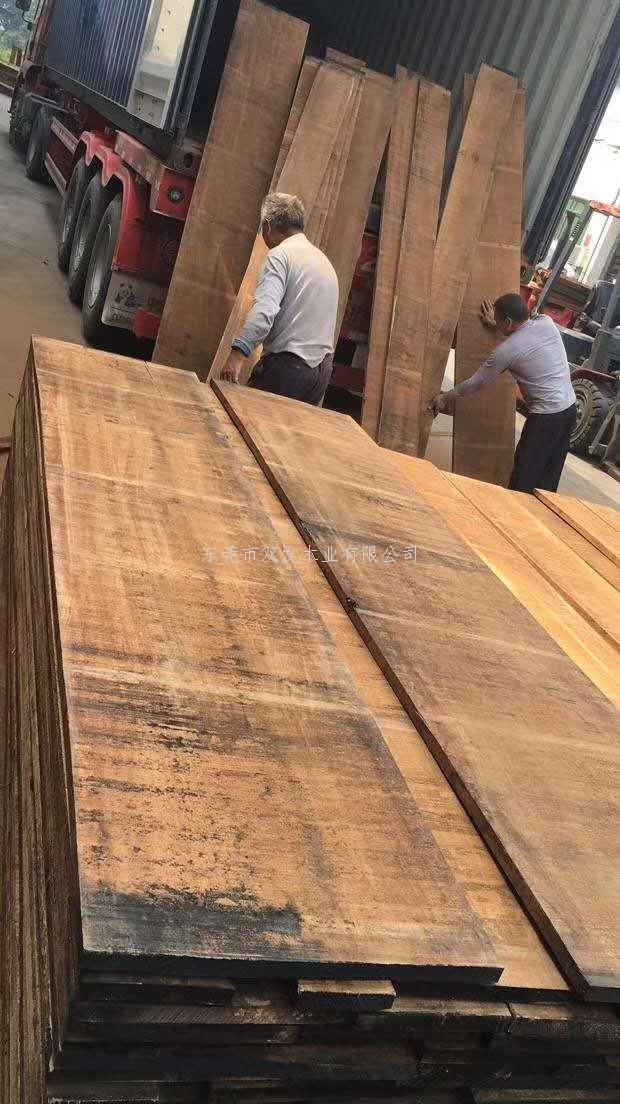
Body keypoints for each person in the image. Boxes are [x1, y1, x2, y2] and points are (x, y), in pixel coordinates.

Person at [430, 293, 577, 493]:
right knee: (548, 479)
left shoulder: (505, 352)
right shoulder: (546, 323)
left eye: (499, 321)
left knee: (523, 476)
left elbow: (474, 383)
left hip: (546, 417)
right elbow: (525, 338)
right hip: (569, 410)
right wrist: (497, 325)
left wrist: (444, 397)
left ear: (507, 322)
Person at [219, 192, 339, 406]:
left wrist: (237, 356)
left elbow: (264, 312)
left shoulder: (280, 256)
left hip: (288, 368)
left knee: (248, 419)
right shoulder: (323, 262)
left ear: (267, 226)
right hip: (320, 373)